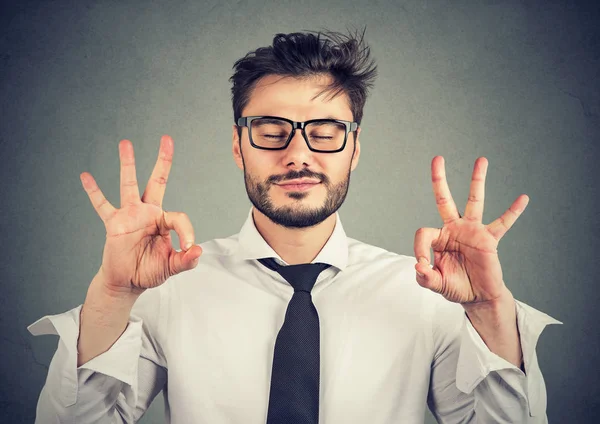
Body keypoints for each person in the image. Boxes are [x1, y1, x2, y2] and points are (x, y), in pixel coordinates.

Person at [28, 29, 561, 424]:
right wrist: (113, 294)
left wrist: (492, 310)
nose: (298, 154)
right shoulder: (168, 289)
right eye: (270, 129)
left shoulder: (429, 295)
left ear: (355, 149)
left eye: (326, 131)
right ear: (238, 146)